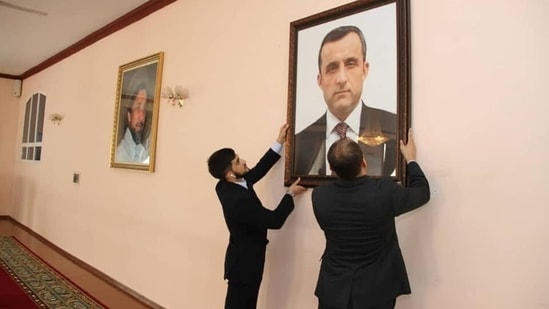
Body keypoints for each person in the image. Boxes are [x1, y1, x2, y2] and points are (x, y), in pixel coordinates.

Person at [311, 130, 430, 309]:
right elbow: (422, 193)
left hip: (333, 289)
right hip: (376, 290)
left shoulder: (319, 196)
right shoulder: (384, 192)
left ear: (332, 169)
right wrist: (411, 159)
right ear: (364, 163)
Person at [207, 123, 307, 309]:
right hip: (245, 265)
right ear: (230, 174)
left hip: (243, 259)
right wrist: (290, 194)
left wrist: (279, 141)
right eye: (238, 161)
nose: (243, 161)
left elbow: (257, 171)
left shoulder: (227, 184)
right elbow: (275, 220)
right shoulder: (237, 200)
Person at [295, 25, 397, 176]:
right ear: (320, 80)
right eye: (332, 68)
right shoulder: (300, 141)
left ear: (364, 69)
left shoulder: (394, 126)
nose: (341, 79)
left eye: (350, 64)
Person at [116, 82, 151, 163]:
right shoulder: (119, 155)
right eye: (138, 107)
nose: (141, 116)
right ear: (129, 116)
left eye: (144, 109)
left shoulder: (145, 154)